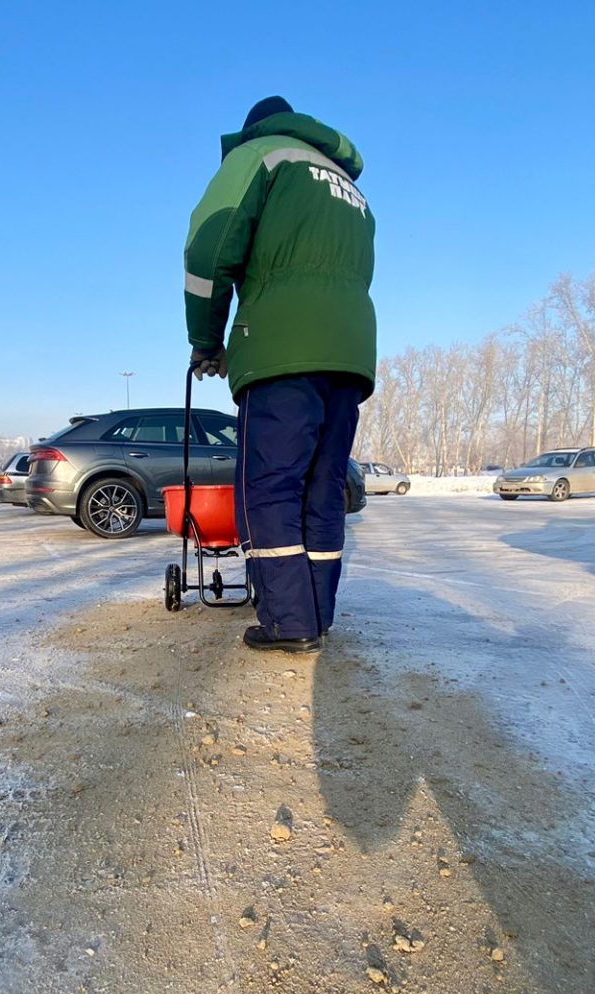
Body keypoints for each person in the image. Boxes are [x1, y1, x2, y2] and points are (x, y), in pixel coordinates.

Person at [183, 96, 376, 654]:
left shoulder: (260, 155)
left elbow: (209, 247)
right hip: (350, 356)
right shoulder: (351, 190)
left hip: (281, 352)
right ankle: (316, 614)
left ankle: (289, 623)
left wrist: (206, 341)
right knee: (322, 491)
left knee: (269, 488)